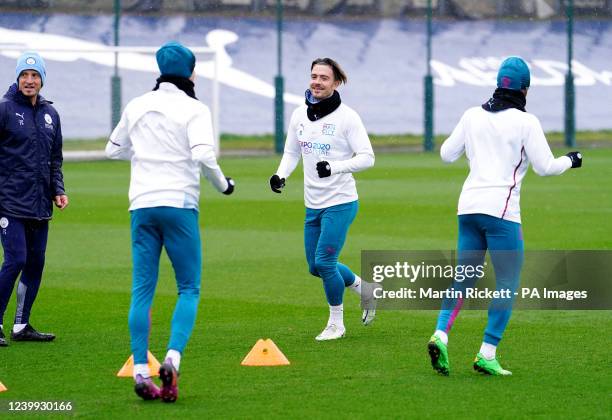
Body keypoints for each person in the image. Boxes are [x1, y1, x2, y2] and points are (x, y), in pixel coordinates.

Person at [427, 56, 582, 376]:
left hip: (468, 208)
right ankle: (487, 352)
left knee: (463, 278)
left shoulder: (472, 114)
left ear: (499, 84)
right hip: (502, 213)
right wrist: (572, 159)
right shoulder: (527, 122)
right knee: (507, 284)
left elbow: (446, 154)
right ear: (525, 90)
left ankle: (440, 334)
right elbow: (546, 167)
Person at [106, 41, 235, 402]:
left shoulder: (136, 105)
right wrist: (224, 186)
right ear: (192, 73)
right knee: (188, 288)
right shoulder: (195, 108)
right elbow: (204, 155)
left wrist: (147, 153)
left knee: (142, 290)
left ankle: (142, 373)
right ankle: (172, 359)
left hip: (141, 205)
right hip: (178, 203)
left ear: (158, 70)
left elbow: (113, 149)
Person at [270, 57, 376, 341]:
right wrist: (281, 175)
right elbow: (292, 152)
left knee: (326, 263)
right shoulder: (298, 115)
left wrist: (335, 166)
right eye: (314, 76)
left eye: (324, 78)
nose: (317, 82)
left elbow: (368, 157)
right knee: (315, 267)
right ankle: (365, 289)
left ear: (336, 83)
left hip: (340, 201)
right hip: (312, 203)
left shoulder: (347, 117)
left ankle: (336, 324)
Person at [0, 52, 68, 347]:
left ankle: (21, 324)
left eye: (35, 75)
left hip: (40, 203)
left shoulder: (51, 114)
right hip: (9, 202)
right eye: (25, 76)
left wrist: (58, 189)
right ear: (17, 79)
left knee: (35, 263)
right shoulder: (3, 109)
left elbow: (55, 159)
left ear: (42, 80)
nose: (30, 81)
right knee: (15, 260)